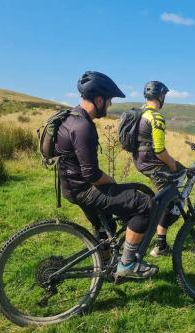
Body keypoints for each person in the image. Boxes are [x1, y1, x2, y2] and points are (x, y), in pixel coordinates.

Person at [55, 71, 158, 278]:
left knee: (106, 225)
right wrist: (110, 181)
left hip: (70, 186)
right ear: (99, 99)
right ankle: (127, 265)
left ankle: (103, 263)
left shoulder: (70, 117)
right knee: (146, 204)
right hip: (84, 188)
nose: (110, 105)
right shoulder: (83, 126)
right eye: (109, 100)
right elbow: (92, 174)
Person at [132, 81, 185, 257]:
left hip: (140, 161)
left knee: (166, 194)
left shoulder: (141, 113)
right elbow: (160, 151)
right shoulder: (156, 117)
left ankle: (160, 239)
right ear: (161, 96)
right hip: (152, 163)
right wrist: (172, 164)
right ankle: (160, 245)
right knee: (170, 199)